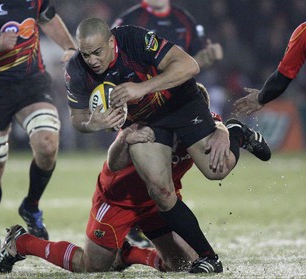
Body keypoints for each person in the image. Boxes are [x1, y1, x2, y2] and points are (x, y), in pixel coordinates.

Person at [64, 18, 271, 272]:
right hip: (145, 122)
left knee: (216, 169)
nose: (92, 60)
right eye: (86, 54)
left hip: (179, 102)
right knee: (160, 192)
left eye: (97, 52)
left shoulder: (134, 39)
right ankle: (209, 258)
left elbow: (189, 65)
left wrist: (141, 88)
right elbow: (78, 119)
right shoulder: (76, 68)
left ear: (111, 42)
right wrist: (94, 124)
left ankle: (236, 132)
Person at [0, 116, 225, 274]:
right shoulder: (150, 117)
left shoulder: (203, 122)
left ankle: (128, 253)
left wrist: (224, 131)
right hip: (119, 200)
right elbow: (113, 164)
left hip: (160, 202)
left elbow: (222, 126)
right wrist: (125, 138)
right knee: (92, 267)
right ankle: (21, 242)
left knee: (185, 266)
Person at [0, 0, 76, 263]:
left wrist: (70, 47)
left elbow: (48, 18)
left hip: (32, 82)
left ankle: (30, 206)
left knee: (48, 145)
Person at [113, 0, 224, 246]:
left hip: (181, 102)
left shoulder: (184, 19)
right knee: (139, 166)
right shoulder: (130, 21)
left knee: (183, 165)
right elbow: (113, 60)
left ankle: (157, 220)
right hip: (144, 106)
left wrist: (207, 57)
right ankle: (139, 221)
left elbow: (191, 63)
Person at [112, 0, 223, 70]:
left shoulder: (185, 19)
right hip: (143, 98)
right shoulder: (128, 20)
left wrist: (208, 57)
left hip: (180, 95)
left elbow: (196, 60)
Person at [234, 22, 306, 115]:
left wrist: (261, 97)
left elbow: (284, 76)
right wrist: (261, 97)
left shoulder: (303, 33)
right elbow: (284, 75)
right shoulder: (303, 34)